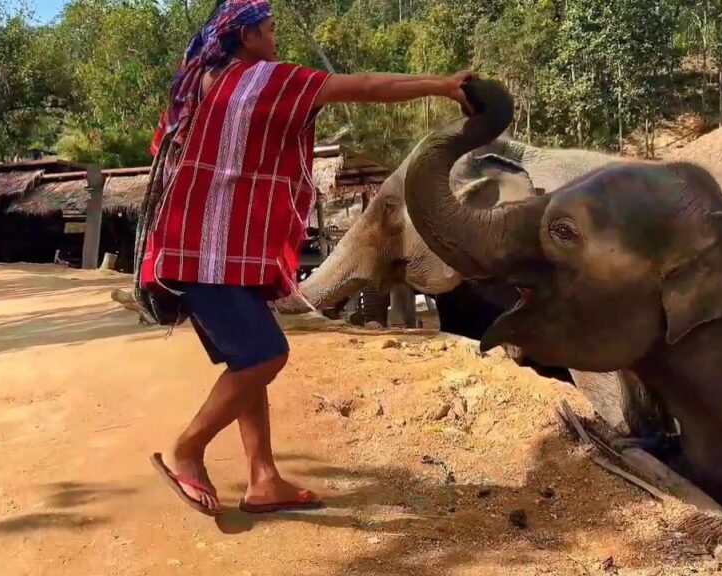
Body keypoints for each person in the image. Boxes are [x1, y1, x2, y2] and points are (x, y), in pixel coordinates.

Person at [137, 0, 475, 516]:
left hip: (200, 249)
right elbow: (366, 87)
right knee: (266, 356)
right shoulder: (267, 80)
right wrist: (443, 85)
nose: (275, 41)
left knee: (248, 360)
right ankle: (188, 449)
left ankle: (263, 479)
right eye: (269, 30)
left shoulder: (200, 84)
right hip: (209, 255)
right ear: (247, 36)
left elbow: (167, 152)